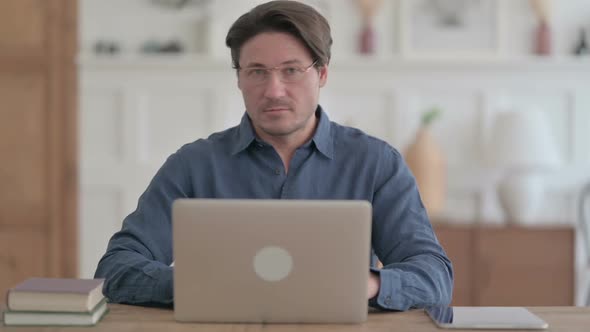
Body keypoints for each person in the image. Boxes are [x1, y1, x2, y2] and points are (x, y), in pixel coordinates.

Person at [95, 0, 453, 311]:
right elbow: (115, 269)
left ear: (322, 73)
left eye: (292, 70)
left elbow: (434, 276)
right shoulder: (193, 165)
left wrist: (369, 285)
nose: (273, 90)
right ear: (239, 79)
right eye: (256, 72)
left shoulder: (376, 163)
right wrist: (196, 286)